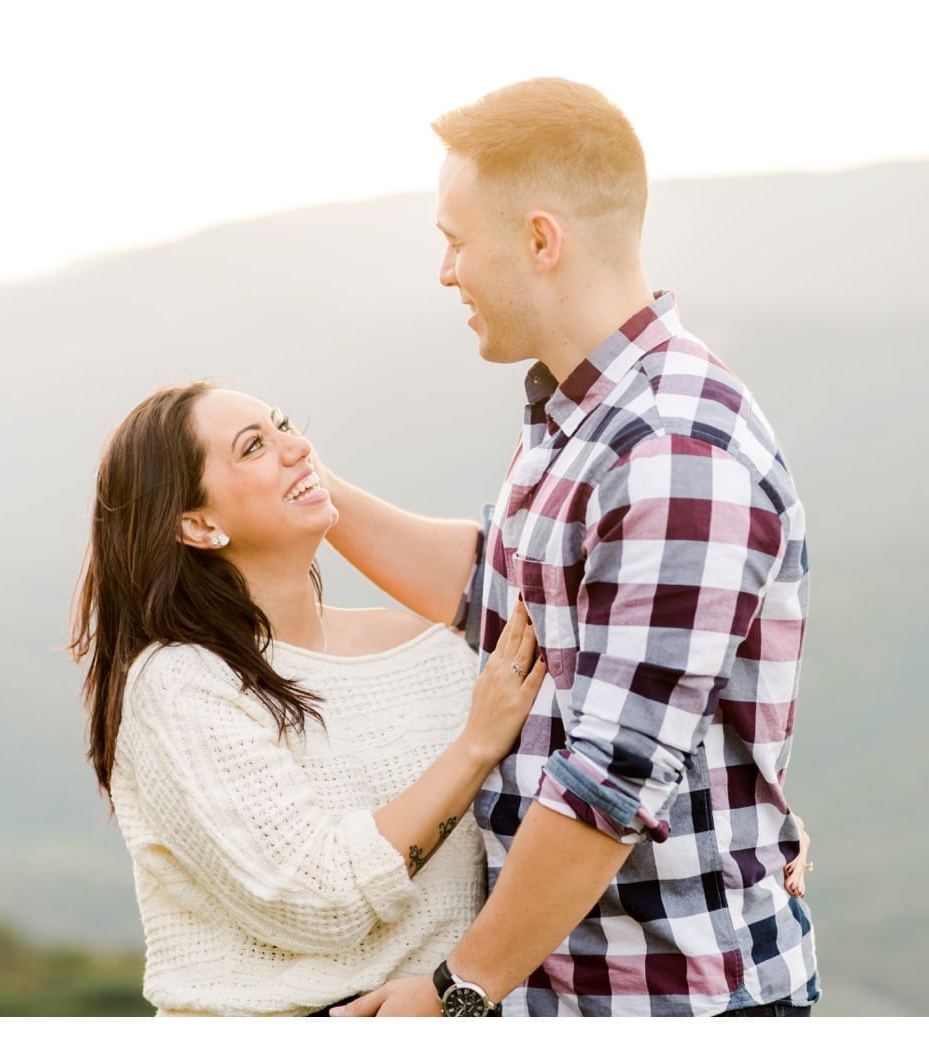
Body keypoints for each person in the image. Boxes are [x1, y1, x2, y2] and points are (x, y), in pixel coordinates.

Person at [323, 77, 821, 1017]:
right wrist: (311, 490)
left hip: (675, 999)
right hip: (574, 994)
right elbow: (501, 594)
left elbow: (611, 778)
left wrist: (455, 991)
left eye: (455, 242)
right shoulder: (577, 417)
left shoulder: (677, 448)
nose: (445, 273)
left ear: (541, 239)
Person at [69, 380, 549, 1016]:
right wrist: (476, 746)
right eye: (253, 447)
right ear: (199, 523)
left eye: (284, 424)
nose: (296, 447)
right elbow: (317, 900)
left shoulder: (438, 650)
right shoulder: (182, 683)